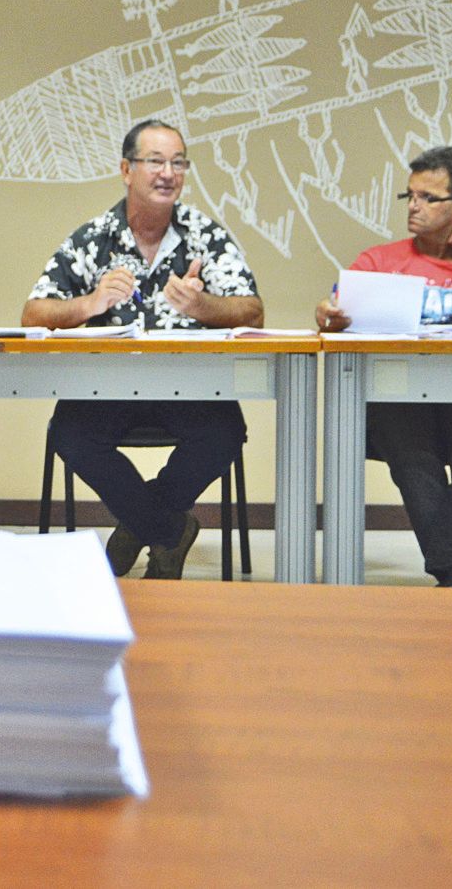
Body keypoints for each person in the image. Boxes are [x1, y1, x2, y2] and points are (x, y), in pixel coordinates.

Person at [21, 119, 263, 580]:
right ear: (126, 170)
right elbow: (34, 315)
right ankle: (169, 529)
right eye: (155, 161)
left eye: (178, 163)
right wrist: (91, 303)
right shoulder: (93, 238)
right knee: (70, 434)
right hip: (107, 386)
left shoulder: (205, 236)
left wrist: (203, 305)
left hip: (189, 386)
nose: (168, 173)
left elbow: (252, 312)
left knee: (225, 432)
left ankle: (138, 527)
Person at [315, 146, 452, 588]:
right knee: (413, 454)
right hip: (397, 397)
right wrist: (328, 314)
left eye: (428, 198)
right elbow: (334, 310)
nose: (413, 206)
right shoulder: (379, 261)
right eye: (409, 196)